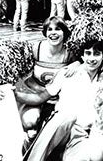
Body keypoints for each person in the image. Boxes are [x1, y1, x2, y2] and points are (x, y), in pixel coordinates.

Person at [14, 39, 103, 161]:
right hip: (61, 124)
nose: (92, 58)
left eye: (96, 54)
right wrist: (14, 94)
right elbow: (41, 97)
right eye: (88, 53)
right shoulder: (68, 73)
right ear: (82, 56)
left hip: (81, 132)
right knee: (68, 116)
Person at [15, 17, 78, 145]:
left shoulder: (70, 52)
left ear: (64, 33)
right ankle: (28, 145)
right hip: (34, 94)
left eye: (58, 29)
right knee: (30, 121)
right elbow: (18, 71)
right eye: (50, 29)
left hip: (58, 99)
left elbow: (84, 61)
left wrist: (76, 64)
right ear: (45, 33)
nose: (53, 33)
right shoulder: (36, 48)